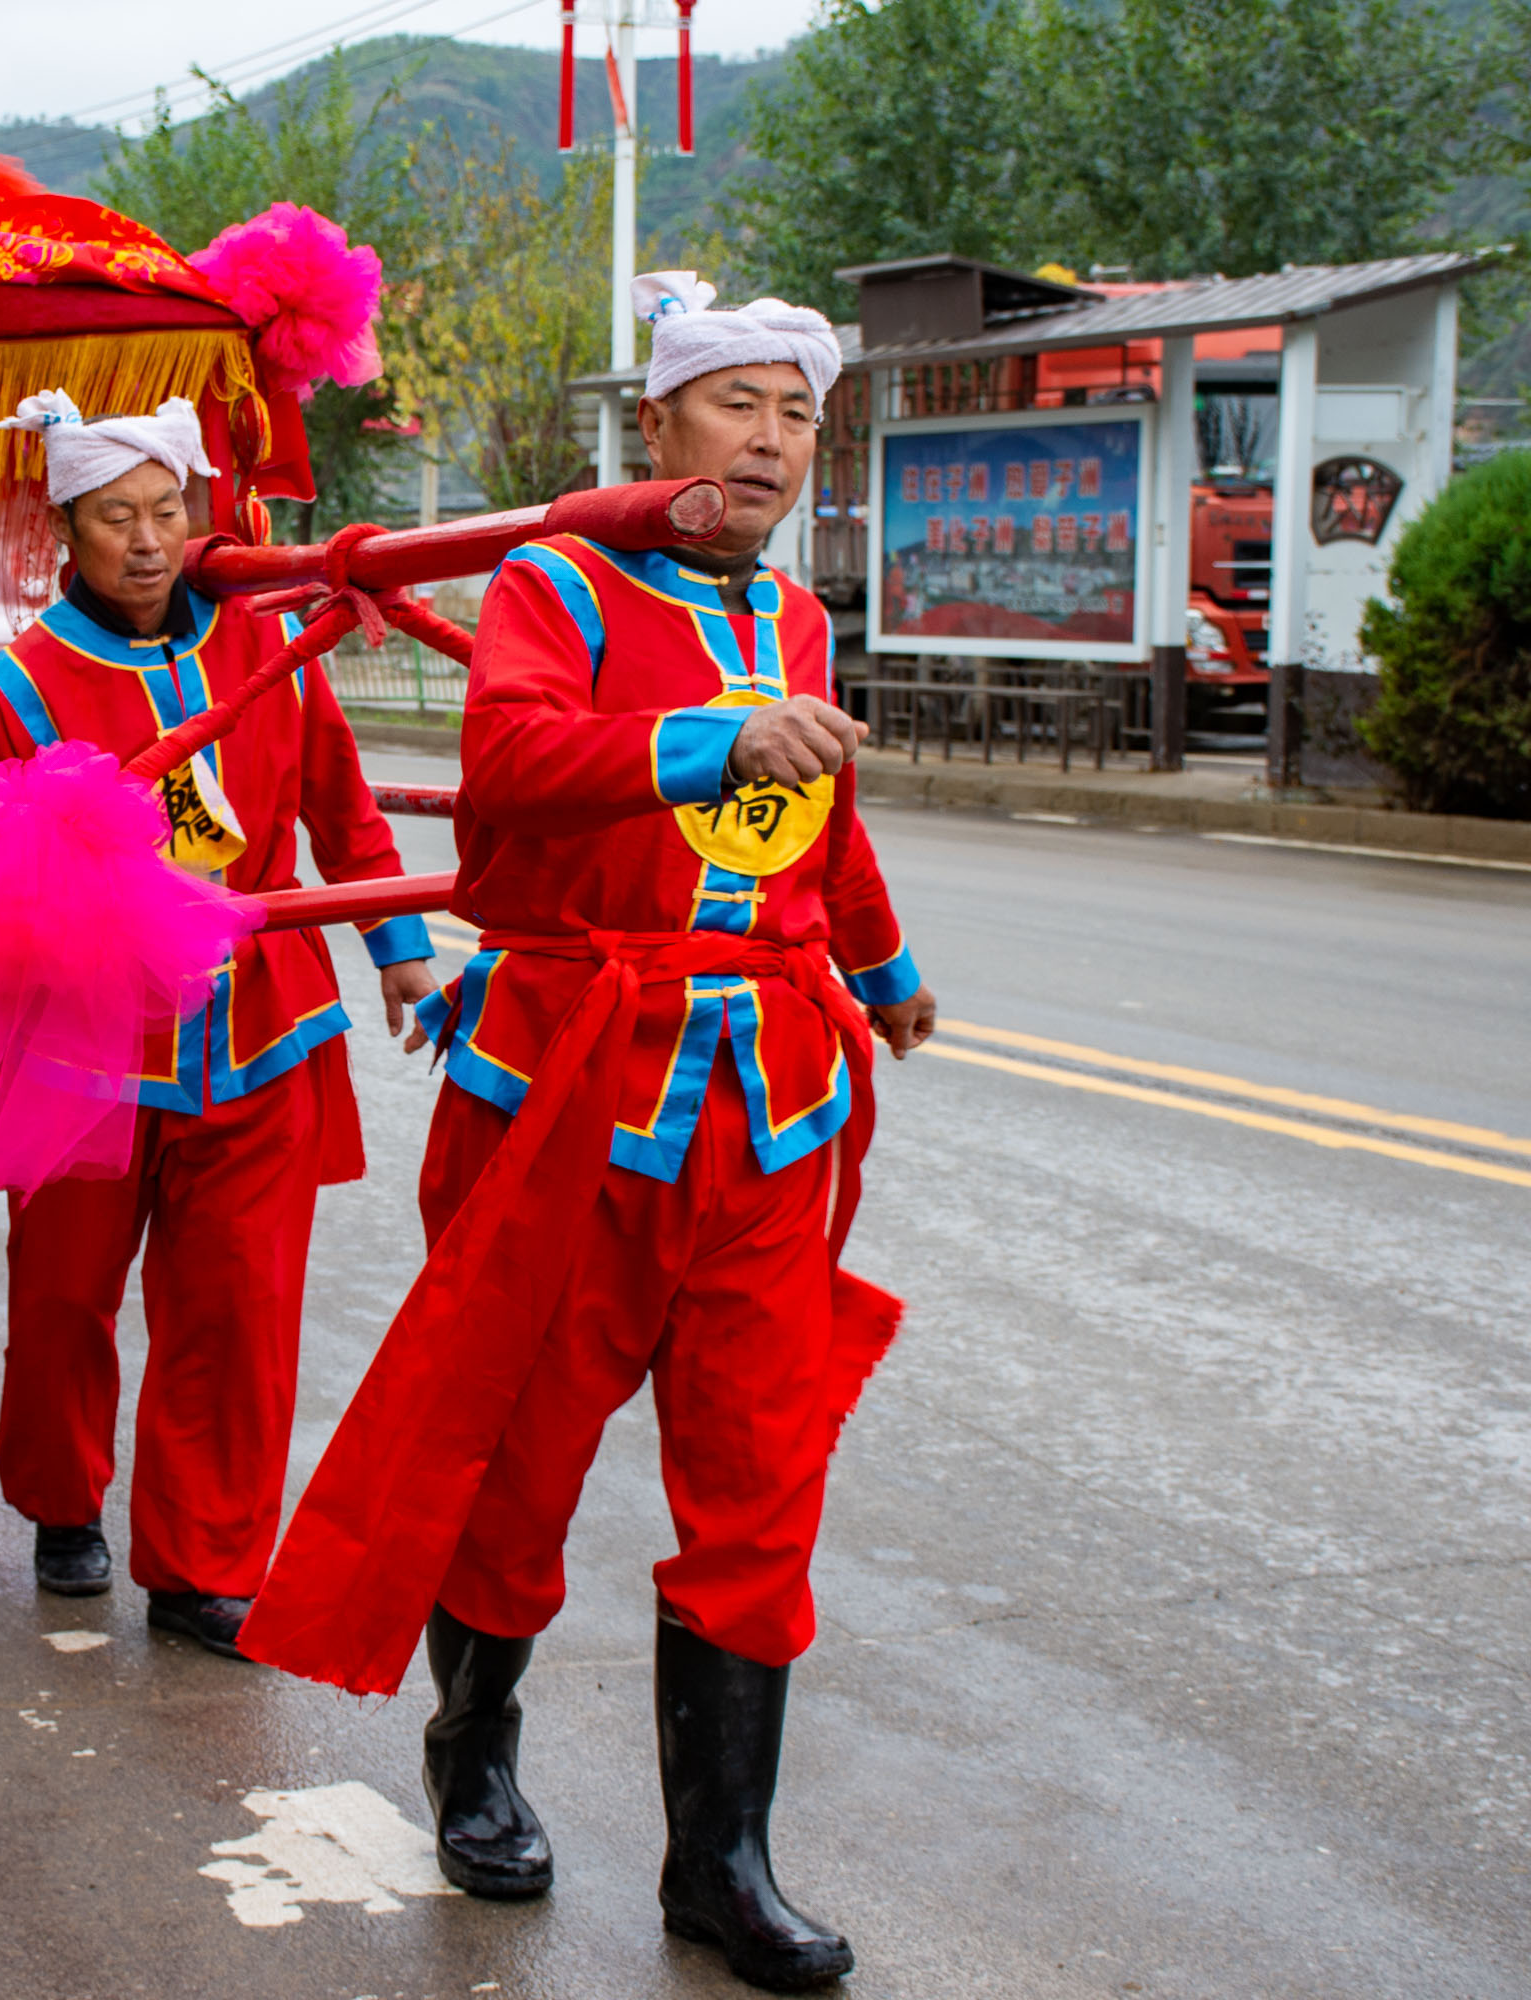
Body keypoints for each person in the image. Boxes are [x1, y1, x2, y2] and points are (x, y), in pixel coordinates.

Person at [235, 276, 939, 1993]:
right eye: (736, 405)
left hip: (771, 1106)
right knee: (522, 1448)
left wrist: (881, 955)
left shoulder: (798, 618)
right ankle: (474, 1752)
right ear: (659, 426)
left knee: (763, 1474)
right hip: (568, 1094)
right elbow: (516, 760)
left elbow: (811, 814)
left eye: (797, 414)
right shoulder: (560, 580)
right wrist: (706, 738)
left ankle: (722, 1865)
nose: (770, 439)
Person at [0, 392, 438, 1659]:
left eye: (168, 511)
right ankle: (64, 1501)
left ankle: (205, 1563)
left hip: (262, 1025)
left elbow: (341, 804)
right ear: (67, 525)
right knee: (64, 1296)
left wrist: (398, 950)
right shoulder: (21, 680)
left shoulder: (266, 645)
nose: (149, 540)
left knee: (239, 1305)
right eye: (116, 517)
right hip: (89, 1046)